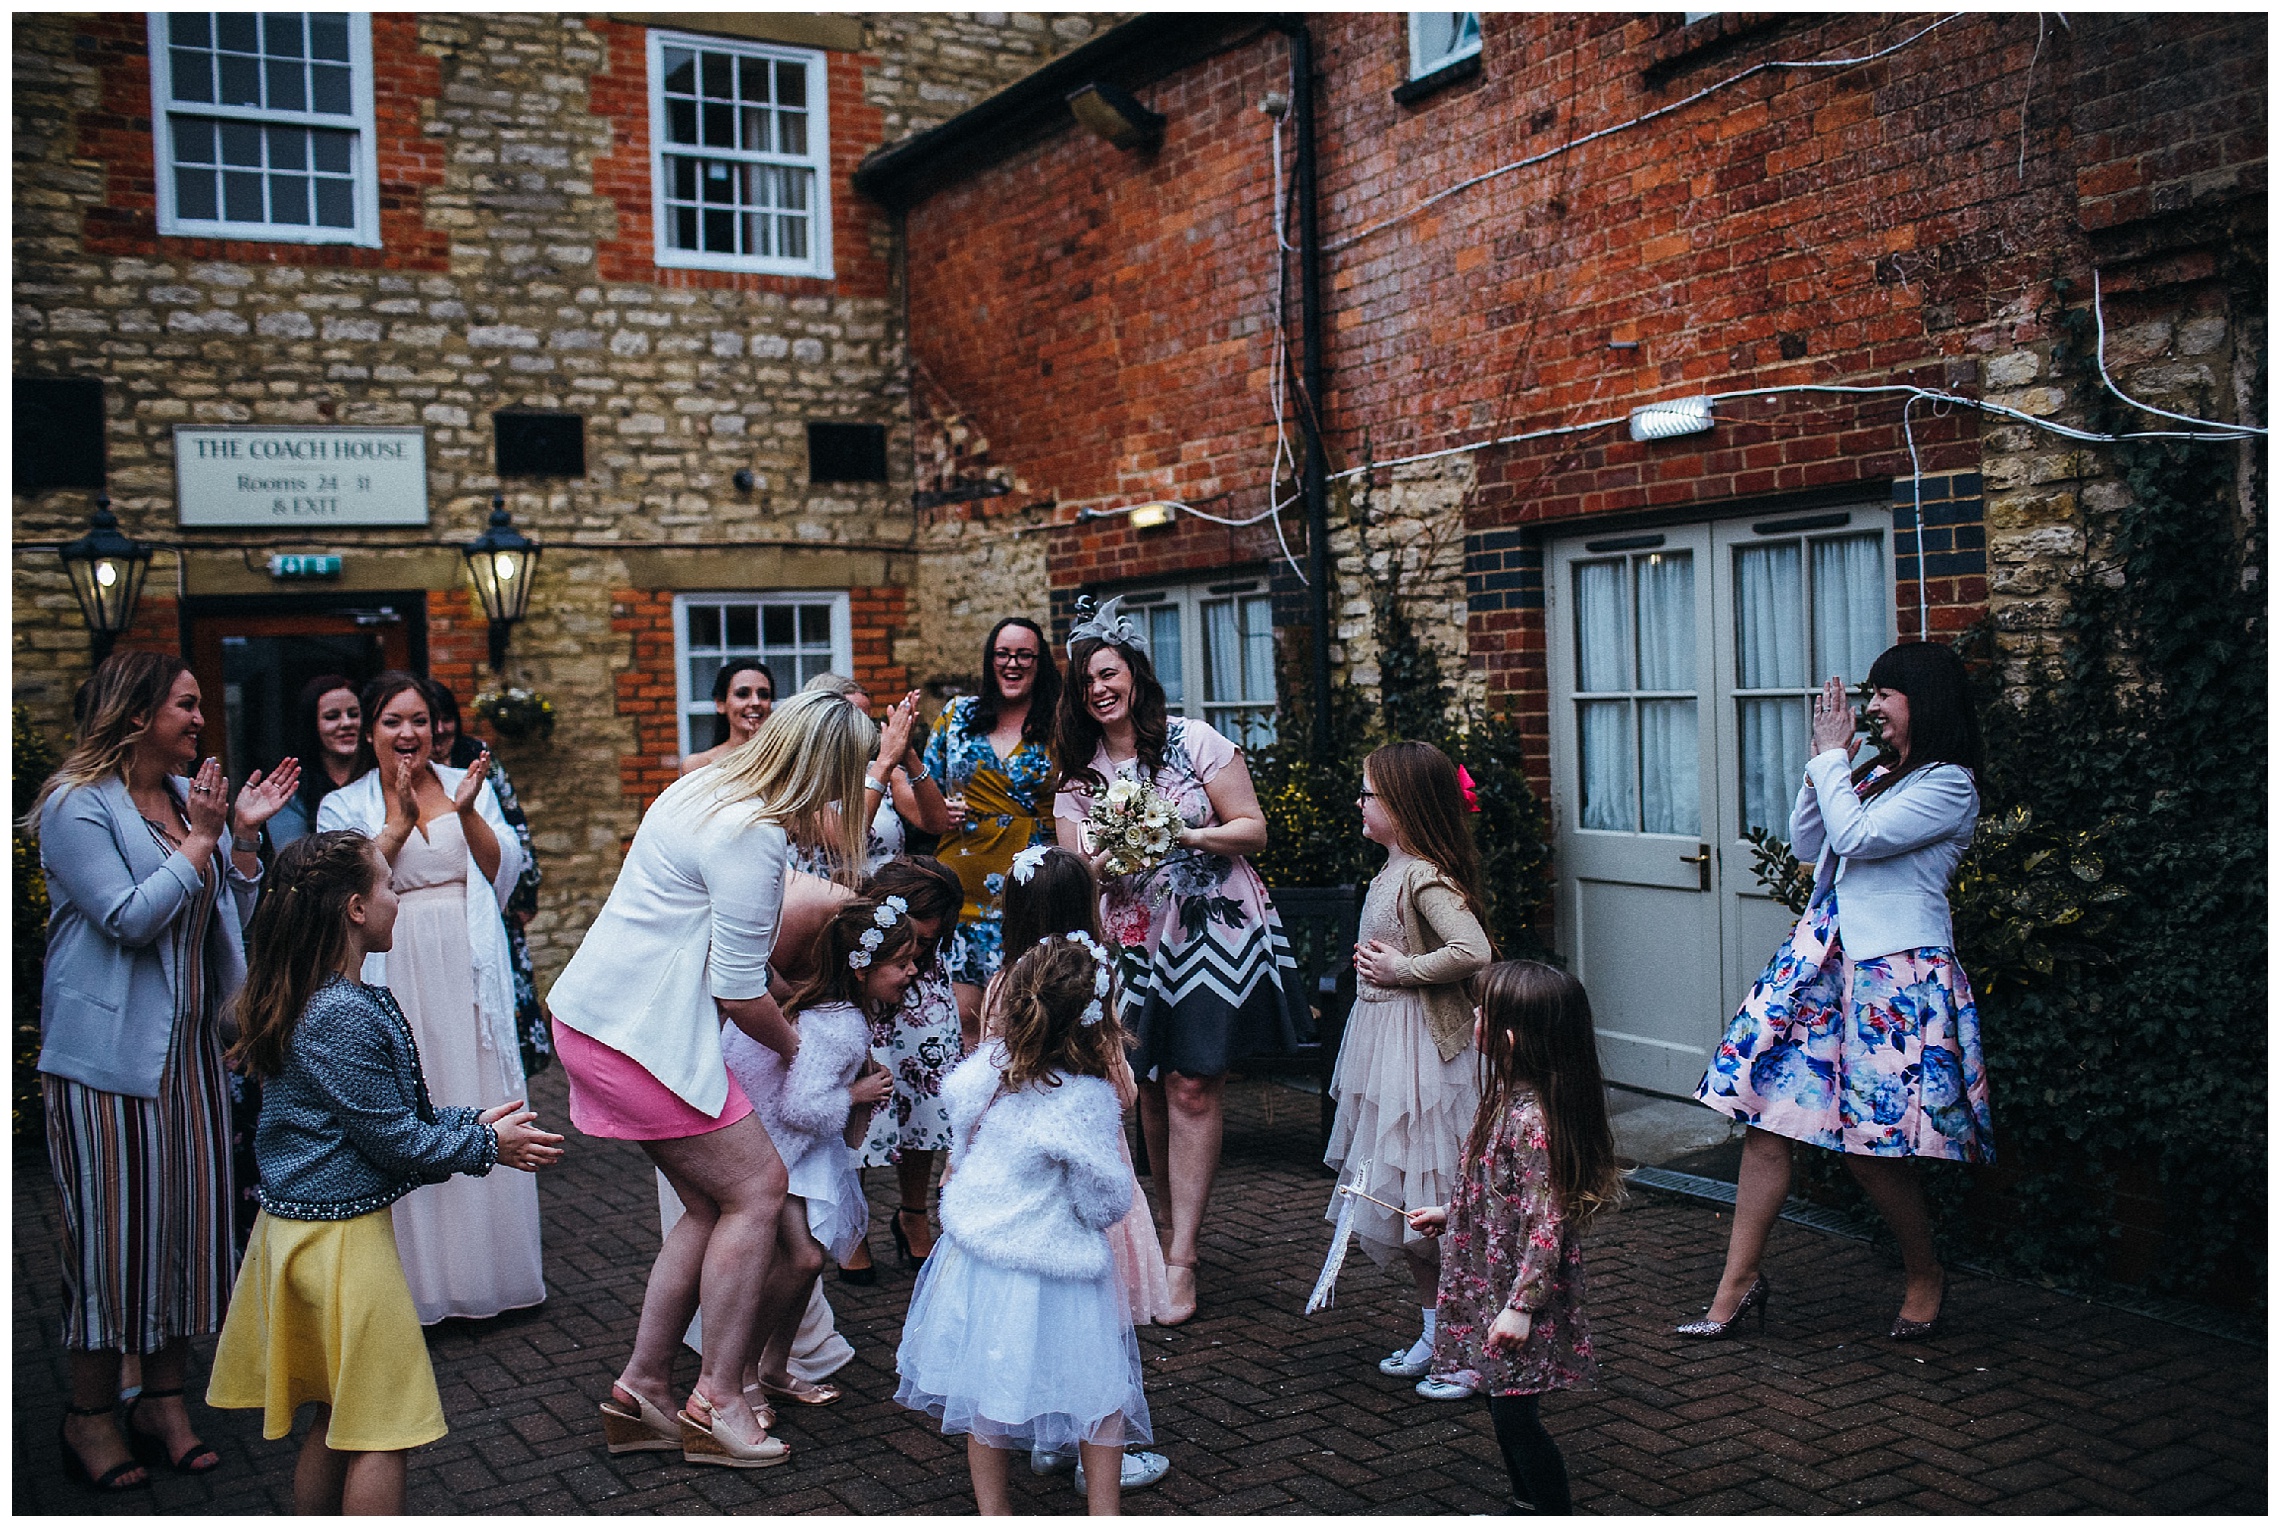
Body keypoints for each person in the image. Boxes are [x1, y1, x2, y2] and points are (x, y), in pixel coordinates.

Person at [550, 689, 875, 1468]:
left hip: (604, 1024)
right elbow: (738, 990)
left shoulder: (708, 787)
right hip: (637, 1040)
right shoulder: (751, 836)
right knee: (759, 1188)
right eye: (845, 783)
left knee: (709, 1203)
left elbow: (732, 955)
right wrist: (808, 1049)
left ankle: (643, 1390)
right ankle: (718, 1400)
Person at [204, 832, 563, 1514]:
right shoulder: (339, 1012)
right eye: (388, 887)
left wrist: (473, 1124)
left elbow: (389, 1118)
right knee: (383, 1429)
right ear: (354, 909)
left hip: (300, 1235)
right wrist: (491, 1148)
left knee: (341, 1415)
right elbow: (398, 1141)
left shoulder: (320, 995)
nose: (400, 899)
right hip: (342, 1247)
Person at [27, 651, 298, 1492]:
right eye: (185, 705)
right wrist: (210, 838)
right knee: (112, 1243)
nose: (199, 720)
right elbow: (129, 918)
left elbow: (229, 916)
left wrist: (241, 843)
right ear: (138, 714)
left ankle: (165, 1402)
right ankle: (92, 1415)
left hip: (190, 1058)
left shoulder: (190, 802)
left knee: (187, 1232)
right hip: (107, 1064)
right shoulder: (76, 808)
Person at [1689, 643, 1989, 1340]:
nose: (1873, 705)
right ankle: (1735, 1287)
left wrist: (1831, 760)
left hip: (1893, 976)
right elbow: (1808, 839)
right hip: (1823, 963)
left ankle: (1925, 1272)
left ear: (1926, 701)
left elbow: (1858, 839)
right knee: (1766, 1122)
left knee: (1868, 1146)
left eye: (1887, 693)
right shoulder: (1881, 772)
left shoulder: (1950, 785)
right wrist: (1830, 763)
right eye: (1873, 692)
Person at [1053, 597, 1304, 1325]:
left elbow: (1252, 830)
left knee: (1194, 1085)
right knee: (1152, 1090)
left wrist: (1185, 836)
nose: (1100, 689)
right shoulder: (1078, 778)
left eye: (1109, 673)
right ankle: (1162, 1231)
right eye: (1085, 682)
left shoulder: (1197, 742)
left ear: (1133, 674)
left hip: (1208, 935)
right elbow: (1078, 874)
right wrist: (1102, 856)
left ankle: (1183, 1254)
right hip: (1131, 943)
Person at [895, 936, 1152, 1516]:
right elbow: (1103, 1203)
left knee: (989, 1386)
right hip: (1057, 1264)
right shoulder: (1084, 1100)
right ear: (1095, 1020)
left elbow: (961, 1153)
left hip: (979, 1258)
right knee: (1098, 1392)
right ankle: (1104, 1512)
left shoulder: (979, 1073)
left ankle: (995, 1513)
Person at [315, 673, 542, 1325]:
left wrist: (467, 811)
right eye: (391, 722)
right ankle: (419, 1289)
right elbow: (344, 894)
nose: (408, 734)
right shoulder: (345, 803)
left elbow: (507, 873)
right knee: (410, 1109)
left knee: (477, 1090)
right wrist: (398, 823)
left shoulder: (465, 779)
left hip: (468, 965)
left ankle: (491, 1274)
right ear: (369, 732)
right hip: (394, 965)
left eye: (418, 720)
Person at [985, 842, 1173, 1493]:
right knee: (1094, 1317)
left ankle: (1048, 1439)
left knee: (1035, 1310)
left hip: (1019, 1175)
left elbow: (984, 1080)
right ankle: (1097, 1450)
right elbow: (1120, 1090)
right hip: (1085, 1170)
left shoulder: (1001, 984)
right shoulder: (1093, 982)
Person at [1404, 961, 1620, 1516]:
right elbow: (1499, 1194)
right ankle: (1528, 1504)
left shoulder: (1532, 1122)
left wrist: (1522, 1308)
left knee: (1516, 1417)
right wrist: (1453, 1214)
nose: (1472, 1017)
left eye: (1481, 1011)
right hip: (1498, 1285)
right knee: (1505, 1407)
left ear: (1507, 1036)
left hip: (1522, 1294)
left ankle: (1547, 1510)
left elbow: (1547, 1222)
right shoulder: (1505, 1100)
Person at [1323, 741, 1494, 1400]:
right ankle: (1436, 1330)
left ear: (1401, 806)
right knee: (1404, 1209)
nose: (1359, 803)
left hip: (1425, 1058)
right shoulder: (1389, 868)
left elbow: (1472, 949)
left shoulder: (1423, 875)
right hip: (1382, 1049)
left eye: (1368, 793)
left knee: (1436, 1202)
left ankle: (1470, 1345)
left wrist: (1405, 971)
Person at [728, 898, 909, 1405]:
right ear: (863, 967)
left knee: (808, 1261)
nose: (912, 972)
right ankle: (743, 1373)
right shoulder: (839, 1025)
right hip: (768, 1145)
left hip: (788, 1146)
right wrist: (856, 1095)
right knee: (803, 1260)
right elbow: (802, 1108)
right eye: (901, 963)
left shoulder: (838, 1012)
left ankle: (771, 1366)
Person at [924, 617, 1062, 1042]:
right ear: (990, 661)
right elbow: (916, 785)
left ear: (1041, 663)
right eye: (1003, 654)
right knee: (962, 1024)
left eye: (1024, 655)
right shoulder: (956, 715)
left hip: (1029, 896)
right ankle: (970, 1111)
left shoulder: (1061, 721)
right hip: (960, 895)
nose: (1013, 664)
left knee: (1019, 1023)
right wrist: (938, 805)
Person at [847, 857, 966, 1281]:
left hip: (925, 999)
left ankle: (913, 1214)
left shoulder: (929, 952)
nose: (922, 943)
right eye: (919, 935)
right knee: (861, 1110)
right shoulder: (859, 930)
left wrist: (923, 955)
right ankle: (852, 1227)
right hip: (872, 993)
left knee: (925, 1105)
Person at [425, 678, 550, 1079]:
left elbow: (516, 826)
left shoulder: (477, 756)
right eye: (433, 721)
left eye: (448, 720)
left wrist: (523, 896)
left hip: (493, 899)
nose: (441, 730)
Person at [803, 674, 952, 872]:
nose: (865, 730)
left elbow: (937, 823)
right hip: (832, 901)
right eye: (854, 718)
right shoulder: (801, 784)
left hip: (890, 899)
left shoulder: (884, 773)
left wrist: (907, 752)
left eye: (867, 719)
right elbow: (846, 840)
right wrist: (886, 760)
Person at [266, 674, 362, 850]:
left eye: (354, 714)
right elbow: (293, 863)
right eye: (332, 716)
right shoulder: (293, 789)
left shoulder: (381, 774)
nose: (347, 723)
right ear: (312, 724)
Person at [679, 660, 776, 775]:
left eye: (764, 695)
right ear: (720, 703)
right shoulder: (699, 765)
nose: (756, 702)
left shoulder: (786, 760)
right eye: (742, 694)